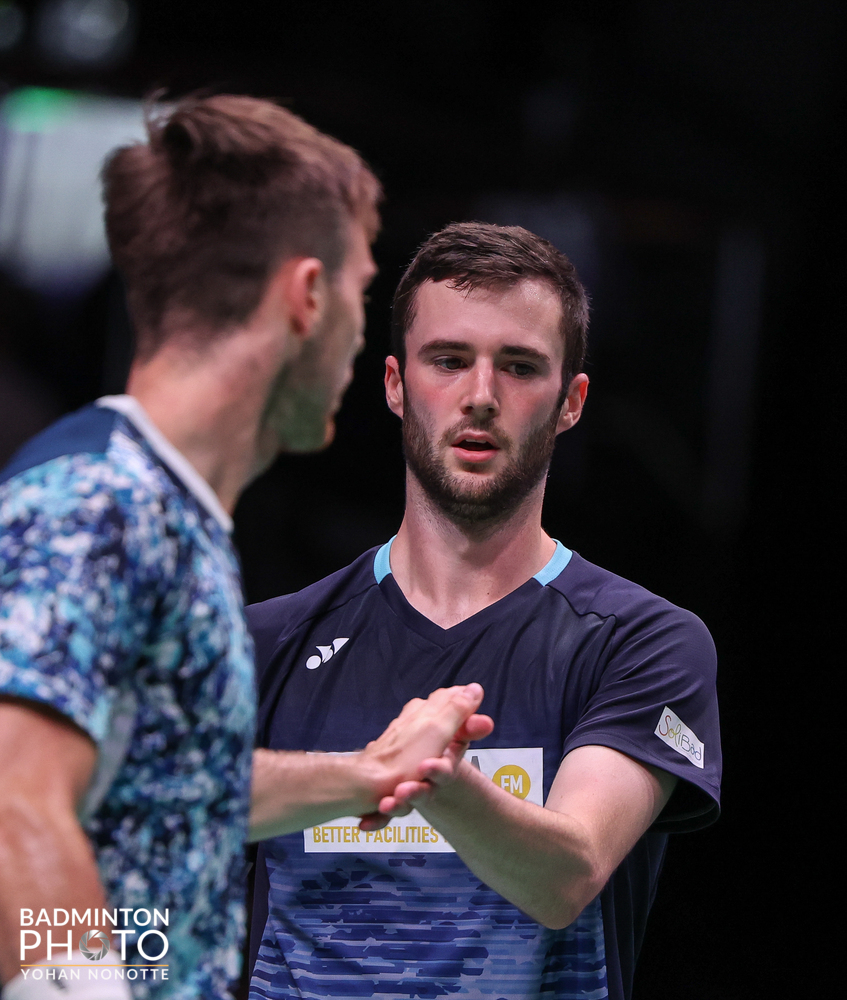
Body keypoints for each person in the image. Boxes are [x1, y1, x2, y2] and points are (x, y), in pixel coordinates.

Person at [0, 98, 492, 1000]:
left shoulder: (170, 517)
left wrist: (371, 774)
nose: (359, 337)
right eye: (358, 293)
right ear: (307, 296)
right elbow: (11, 808)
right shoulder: (100, 506)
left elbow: (159, 796)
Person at [246, 221, 722, 1000]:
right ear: (396, 384)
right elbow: (167, 808)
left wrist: (438, 779)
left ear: (570, 402)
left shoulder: (642, 642)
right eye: (449, 359)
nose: (479, 396)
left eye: (519, 366)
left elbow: (566, 875)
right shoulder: (266, 642)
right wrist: (365, 774)